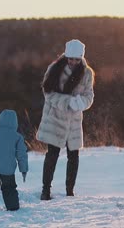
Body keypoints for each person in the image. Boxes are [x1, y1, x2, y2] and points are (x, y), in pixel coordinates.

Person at [36, 39, 95, 200]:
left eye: (77, 59)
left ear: (81, 57)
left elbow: (89, 96)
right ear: (66, 56)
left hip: (74, 121)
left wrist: (80, 103)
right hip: (55, 118)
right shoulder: (54, 69)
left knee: (73, 156)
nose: (73, 62)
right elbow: (48, 94)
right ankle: (45, 190)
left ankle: (70, 191)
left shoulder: (87, 73)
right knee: (52, 154)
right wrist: (67, 101)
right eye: (71, 59)